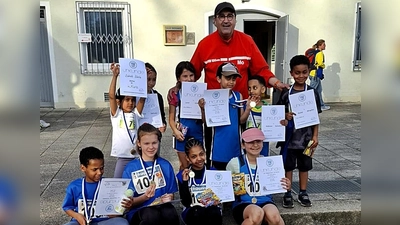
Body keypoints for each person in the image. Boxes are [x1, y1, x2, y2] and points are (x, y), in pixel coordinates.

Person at [168, 2, 289, 168]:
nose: (226, 20)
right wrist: (177, 87)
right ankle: (217, 181)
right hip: (214, 109)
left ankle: (244, 182)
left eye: (230, 16)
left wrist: (276, 82)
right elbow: (191, 73)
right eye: (222, 17)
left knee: (245, 149)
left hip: (241, 108)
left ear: (235, 20)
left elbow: (261, 69)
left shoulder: (247, 41)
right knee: (214, 151)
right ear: (215, 21)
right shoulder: (205, 44)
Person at [277, 55, 322, 208]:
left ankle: (303, 192)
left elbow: (316, 117)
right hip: (289, 139)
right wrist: (285, 115)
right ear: (291, 73)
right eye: (297, 73)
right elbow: (277, 114)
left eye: (304, 72)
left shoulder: (312, 92)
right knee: (288, 166)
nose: (301, 76)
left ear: (308, 71)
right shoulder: (285, 93)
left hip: (307, 139)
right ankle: (287, 192)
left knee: (305, 166)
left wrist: (315, 136)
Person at [226, 128, 290, 225]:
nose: (255, 145)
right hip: (243, 203)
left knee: (274, 216)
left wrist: (285, 184)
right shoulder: (235, 163)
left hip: (265, 201)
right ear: (243, 145)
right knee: (256, 213)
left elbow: (278, 183)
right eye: (250, 142)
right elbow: (226, 187)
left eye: (258, 141)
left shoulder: (270, 163)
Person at [122, 123, 179, 225]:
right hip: (140, 211)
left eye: (154, 143)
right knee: (151, 214)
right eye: (146, 143)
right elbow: (128, 202)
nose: (151, 147)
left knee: (170, 212)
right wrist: (144, 197)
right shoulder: (131, 168)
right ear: (139, 143)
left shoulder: (165, 165)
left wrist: (169, 198)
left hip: (161, 208)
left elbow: (171, 193)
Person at [61, 146, 129, 225]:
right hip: (82, 222)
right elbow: (67, 207)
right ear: (83, 168)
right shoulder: (74, 186)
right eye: (94, 169)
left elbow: (118, 208)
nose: (99, 172)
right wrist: (77, 216)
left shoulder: (109, 185)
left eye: (102, 168)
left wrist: (118, 212)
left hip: (104, 221)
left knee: (122, 222)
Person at [198, 62, 247, 170]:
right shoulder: (211, 97)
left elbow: (241, 120)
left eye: (233, 79)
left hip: (235, 147)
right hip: (217, 149)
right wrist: (202, 109)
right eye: (228, 78)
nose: (231, 82)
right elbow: (206, 123)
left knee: (236, 181)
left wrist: (248, 108)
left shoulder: (238, 96)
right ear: (219, 79)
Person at [109, 62, 145, 178]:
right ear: (120, 101)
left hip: (137, 156)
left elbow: (142, 98)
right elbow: (111, 96)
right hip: (123, 157)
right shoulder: (117, 114)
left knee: (136, 185)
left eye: (133, 100)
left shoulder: (136, 113)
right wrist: (115, 76)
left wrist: (142, 76)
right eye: (127, 99)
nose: (130, 103)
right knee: (118, 183)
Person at [176, 138, 222, 225]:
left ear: (205, 153)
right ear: (187, 158)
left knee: (213, 212)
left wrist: (218, 200)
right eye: (194, 156)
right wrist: (185, 182)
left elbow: (220, 195)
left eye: (201, 154)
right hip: (192, 210)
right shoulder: (182, 175)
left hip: (211, 208)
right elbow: (186, 202)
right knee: (198, 212)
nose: (199, 158)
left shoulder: (213, 172)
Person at [168, 61, 203, 171]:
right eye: (185, 76)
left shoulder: (202, 91)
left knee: (198, 164)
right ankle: (183, 187)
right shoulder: (175, 93)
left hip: (197, 132)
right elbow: (171, 117)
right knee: (184, 166)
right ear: (178, 78)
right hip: (181, 134)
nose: (189, 79)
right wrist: (175, 130)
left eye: (191, 75)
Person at [241, 75, 271, 156]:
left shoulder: (269, 108)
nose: (251, 91)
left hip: (263, 144)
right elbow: (241, 121)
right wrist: (248, 109)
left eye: (255, 88)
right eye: (249, 88)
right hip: (249, 144)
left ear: (263, 89)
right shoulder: (244, 106)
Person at [145, 62, 167, 155]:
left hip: (154, 137)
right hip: (140, 137)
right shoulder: (133, 97)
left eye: (154, 80)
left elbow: (162, 116)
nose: (151, 83)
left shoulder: (158, 96)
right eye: (148, 79)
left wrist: (163, 124)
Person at [308, 39, 330, 111]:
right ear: (320, 45)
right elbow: (320, 63)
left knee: (318, 90)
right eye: (324, 44)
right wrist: (324, 66)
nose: (325, 46)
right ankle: (307, 105)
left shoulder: (315, 52)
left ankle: (321, 105)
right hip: (315, 74)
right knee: (311, 90)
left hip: (313, 73)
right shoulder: (319, 53)